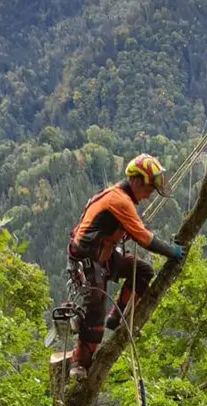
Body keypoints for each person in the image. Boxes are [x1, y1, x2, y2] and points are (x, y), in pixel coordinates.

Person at [68, 153, 183, 378]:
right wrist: (172, 251)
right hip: (88, 259)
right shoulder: (118, 200)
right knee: (95, 308)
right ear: (137, 181)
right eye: (149, 188)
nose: (149, 195)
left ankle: (117, 316)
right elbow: (144, 238)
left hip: (105, 255)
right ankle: (79, 363)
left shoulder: (121, 198)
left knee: (142, 271)